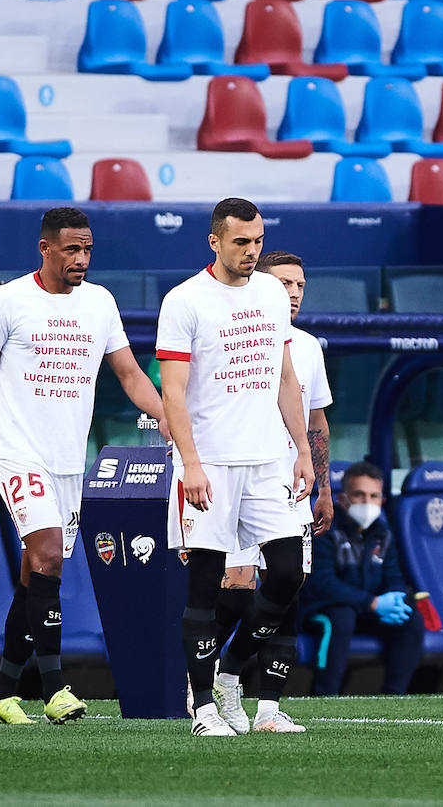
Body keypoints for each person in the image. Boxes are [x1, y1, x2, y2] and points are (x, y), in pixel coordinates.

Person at [0, 207, 167, 726]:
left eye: (88, 249)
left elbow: (130, 375)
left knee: (37, 574)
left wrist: (170, 418)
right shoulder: (7, 302)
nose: (82, 259)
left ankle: (1, 694)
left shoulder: (100, 302)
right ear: (44, 248)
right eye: (72, 249)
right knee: (47, 553)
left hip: (69, 459)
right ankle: (55, 689)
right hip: (16, 451)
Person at [157, 199, 314, 737]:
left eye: (257, 241)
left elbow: (285, 376)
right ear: (214, 241)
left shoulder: (272, 293)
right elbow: (172, 393)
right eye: (241, 242)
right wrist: (191, 463)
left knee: (289, 573)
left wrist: (303, 450)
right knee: (204, 584)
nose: (251, 252)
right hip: (210, 465)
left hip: (269, 459)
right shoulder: (184, 301)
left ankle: (228, 674)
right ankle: (201, 708)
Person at [213, 250, 335, 722]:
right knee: (238, 587)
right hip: (238, 481)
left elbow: (317, 420)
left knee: (290, 587)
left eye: (300, 285)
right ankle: (207, 680)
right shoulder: (233, 336)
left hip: (292, 486)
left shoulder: (307, 347)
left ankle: (266, 707)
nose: (294, 293)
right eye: (284, 283)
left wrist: (324, 487)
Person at [300, 461, 424, 696]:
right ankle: (324, 696)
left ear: (382, 501)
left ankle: (393, 698)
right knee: (340, 617)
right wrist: (372, 602)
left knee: (411, 620)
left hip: (366, 608)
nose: (367, 502)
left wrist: (396, 595)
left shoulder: (383, 534)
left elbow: (393, 576)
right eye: (359, 495)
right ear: (342, 499)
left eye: (374, 496)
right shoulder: (323, 529)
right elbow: (321, 584)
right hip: (321, 609)